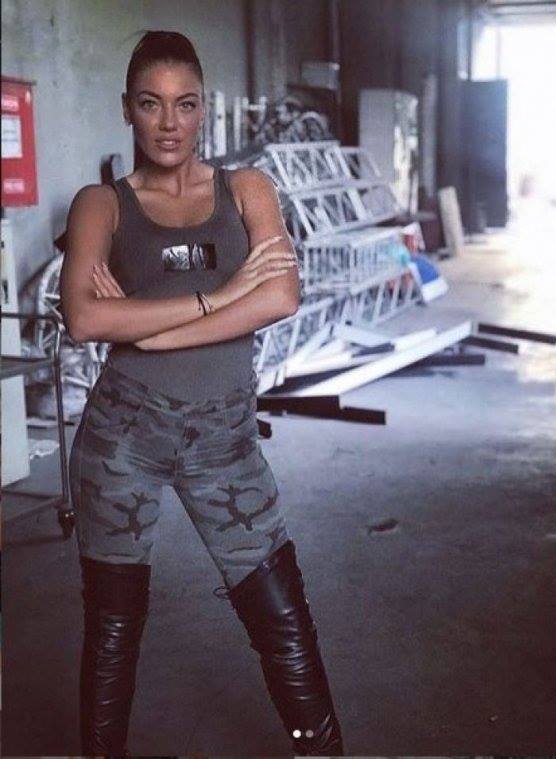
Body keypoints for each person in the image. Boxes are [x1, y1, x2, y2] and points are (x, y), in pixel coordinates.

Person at [60, 30, 344, 757]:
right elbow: (85, 318)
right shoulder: (101, 205)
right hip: (123, 439)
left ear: (203, 109)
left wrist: (149, 328)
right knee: (114, 626)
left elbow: (279, 296)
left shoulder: (246, 189)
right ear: (127, 108)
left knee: (282, 615)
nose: (169, 123)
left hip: (226, 441)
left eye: (185, 104)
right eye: (150, 103)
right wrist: (219, 296)